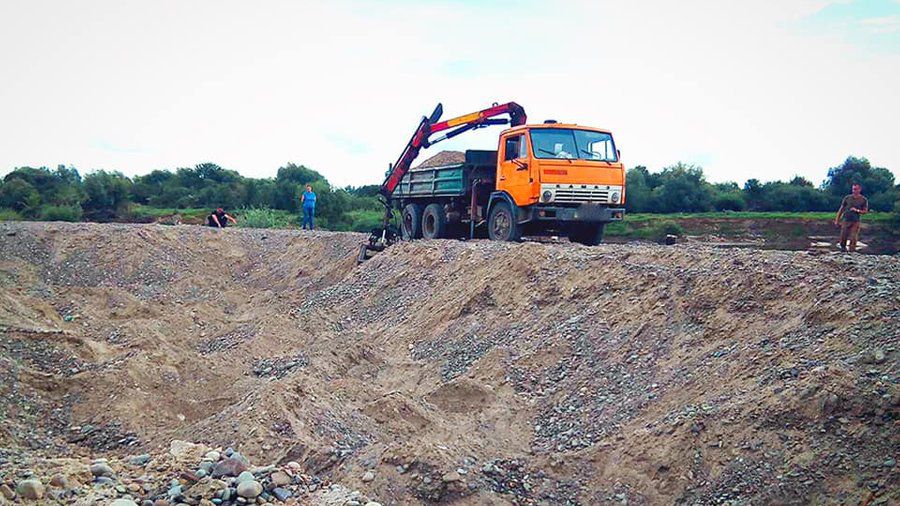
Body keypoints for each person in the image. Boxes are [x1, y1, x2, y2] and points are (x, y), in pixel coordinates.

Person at [833, 183, 868, 252]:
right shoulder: (847, 198)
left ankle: (852, 251)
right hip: (846, 219)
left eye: (855, 189)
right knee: (843, 236)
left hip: (856, 221)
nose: (854, 191)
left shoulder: (863, 199)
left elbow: (865, 211)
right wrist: (837, 220)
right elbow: (841, 209)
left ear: (859, 190)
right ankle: (843, 249)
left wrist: (857, 210)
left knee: (853, 237)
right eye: (853, 189)